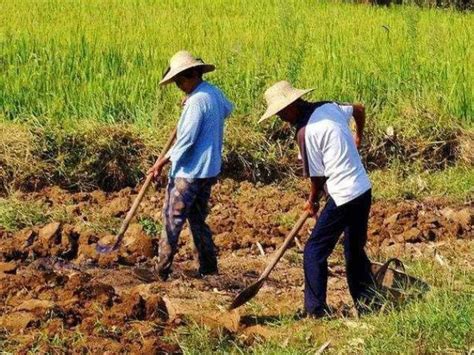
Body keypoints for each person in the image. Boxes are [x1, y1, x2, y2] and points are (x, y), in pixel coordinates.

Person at [260, 80, 375, 317]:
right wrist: (358, 137)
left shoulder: (305, 132)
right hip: (363, 189)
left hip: (343, 195)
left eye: (282, 111)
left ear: (293, 104)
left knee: (314, 250)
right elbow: (359, 109)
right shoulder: (330, 107)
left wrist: (312, 201)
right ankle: (368, 305)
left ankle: (314, 311)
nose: (281, 117)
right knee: (354, 250)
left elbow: (317, 177)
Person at [138, 50, 233, 281]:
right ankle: (209, 268)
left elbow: (186, 141)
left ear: (191, 74)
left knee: (172, 217)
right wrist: (193, 103)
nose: (179, 85)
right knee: (198, 219)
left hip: (188, 172)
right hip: (209, 170)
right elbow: (228, 109)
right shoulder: (212, 93)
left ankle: (160, 270)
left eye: (180, 80)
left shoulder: (196, 101)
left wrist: (162, 161)